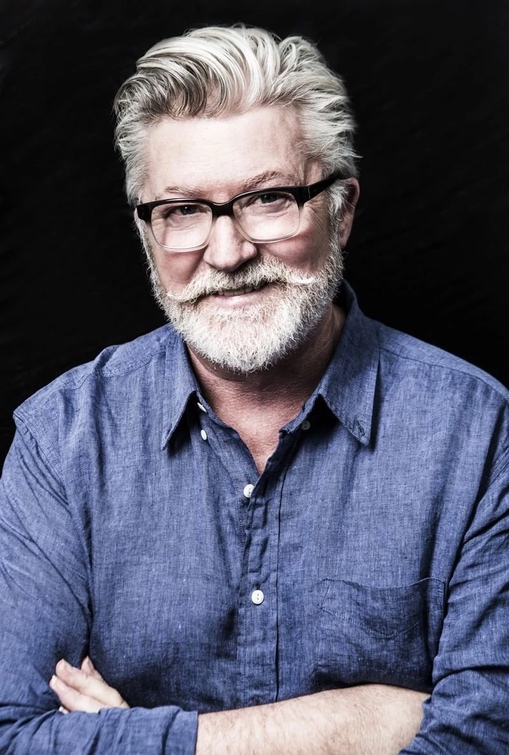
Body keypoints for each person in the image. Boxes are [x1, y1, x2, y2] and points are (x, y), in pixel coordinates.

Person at [0, 23, 508, 755]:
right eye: (182, 211)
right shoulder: (61, 441)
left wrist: (132, 739)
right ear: (148, 232)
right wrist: (352, 723)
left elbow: (484, 739)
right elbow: (13, 737)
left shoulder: (479, 433)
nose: (228, 251)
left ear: (341, 211)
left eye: (268, 198)